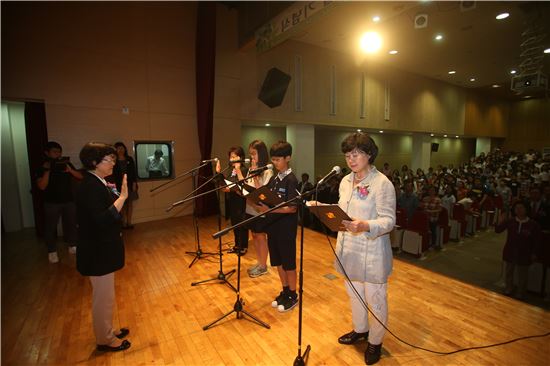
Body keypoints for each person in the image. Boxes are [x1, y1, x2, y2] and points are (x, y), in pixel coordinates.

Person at [313, 132, 395, 365]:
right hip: (349, 247)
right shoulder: (345, 180)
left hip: (371, 250)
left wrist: (365, 225)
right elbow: (342, 209)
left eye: (356, 154)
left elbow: (388, 221)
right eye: (348, 155)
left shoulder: (382, 184)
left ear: (369, 154)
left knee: (375, 299)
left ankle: (376, 342)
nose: (351, 159)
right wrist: (324, 209)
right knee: (354, 294)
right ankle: (361, 330)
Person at [76, 142, 131, 352]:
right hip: (97, 251)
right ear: (94, 163)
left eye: (113, 159)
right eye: (109, 160)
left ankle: (107, 330)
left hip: (101, 249)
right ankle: (105, 339)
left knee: (106, 296)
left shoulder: (98, 181)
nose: (112, 163)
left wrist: (119, 198)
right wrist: (123, 198)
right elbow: (102, 219)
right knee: (102, 297)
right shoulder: (90, 186)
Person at [253, 141, 299, 312]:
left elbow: (292, 207)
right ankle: (285, 290)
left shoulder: (291, 180)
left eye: (278, 160)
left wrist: (270, 209)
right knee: (278, 262)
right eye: (273, 160)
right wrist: (256, 183)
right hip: (273, 227)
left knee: (288, 264)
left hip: (286, 229)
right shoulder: (274, 178)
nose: (275, 163)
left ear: (288, 158)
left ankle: (293, 295)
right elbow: (264, 194)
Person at [36, 141, 83, 263]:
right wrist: (48, 170)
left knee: (72, 224)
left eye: (59, 151)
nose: (57, 154)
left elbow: (80, 177)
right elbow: (41, 186)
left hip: (68, 200)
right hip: (51, 202)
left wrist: (70, 171)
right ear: (47, 153)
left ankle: (73, 245)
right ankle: (52, 251)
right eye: (54, 152)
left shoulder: (65, 163)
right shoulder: (43, 166)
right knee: (50, 227)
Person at [495, 201, 541, 299]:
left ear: (526, 209)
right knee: (509, 272)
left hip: (525, 253)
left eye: (521, 208)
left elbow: (536, 240)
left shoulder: (533, 224)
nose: (519, 210)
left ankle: (521, 292)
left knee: (522, 274)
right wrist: (500, 220)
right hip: (510, 250)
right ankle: (508, 288)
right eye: (517, 208)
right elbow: (498, 230)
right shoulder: (511, 221)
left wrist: (534, 253)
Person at [245, 140, 273, 278]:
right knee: (254, 236)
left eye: (254, 154)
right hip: (250, 208)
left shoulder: (268, 170)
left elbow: (261, 192)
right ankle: (259, 262)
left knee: (261, 237)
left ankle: (263, 266)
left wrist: (256, 176)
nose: (252, 158)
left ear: (261, 154)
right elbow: (246, 185)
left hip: (261, 210)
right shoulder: (250, 169)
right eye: (250, 154)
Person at [216, 146, 249, 255]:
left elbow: (243, 184)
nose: (232, 159)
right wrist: (219, 173)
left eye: (235, 157)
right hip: (232, 199)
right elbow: (227, 183)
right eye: (231, 157)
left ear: (241, 157)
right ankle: (237, 245)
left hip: (241, 200)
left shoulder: (244, 169)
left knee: (242, 224)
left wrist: (231, 187)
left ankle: (243, 246)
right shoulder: (231, 170)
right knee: (234, 223)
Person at [110, 142, 138, 229]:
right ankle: (123, 223)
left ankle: (129, 222)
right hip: (118, 185)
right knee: (122, 204)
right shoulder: (113, 160)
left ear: (125, 149)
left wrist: (134, 183)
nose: (120, 150)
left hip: (129, 184)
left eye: (122, 148)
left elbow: (133, 172)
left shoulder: (129, 159)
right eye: (118, 148)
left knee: (129, 204)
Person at [421, 185, 443, 250]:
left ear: (435, 192)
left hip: (433, 218)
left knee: (433, 231)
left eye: (433, 190)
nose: (431, 192)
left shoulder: (438, 199)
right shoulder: (425, 198)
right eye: (430, 190)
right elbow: (422, 207)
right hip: (425, 218)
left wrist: (431, 211)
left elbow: (440, 209)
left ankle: (433, 244)